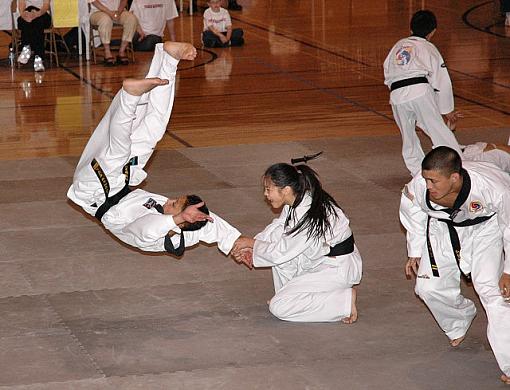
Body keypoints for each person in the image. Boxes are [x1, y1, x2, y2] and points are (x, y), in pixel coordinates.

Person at [67, 42, 241, 256]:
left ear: (178, 222)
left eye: (174, 205)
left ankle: (130, 97)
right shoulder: (191, 229)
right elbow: (215, 225)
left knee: (118, 152)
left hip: (93, 190)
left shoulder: (153, 239)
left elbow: (144, 228)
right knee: (153, 130)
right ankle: (170, 59)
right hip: (121, 182)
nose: (168, 200)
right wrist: (242, 243)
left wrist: (176, 219)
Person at [400, 146, 510, 384]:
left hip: (485, 231)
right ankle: (459, 318)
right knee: (427, 289)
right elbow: (411, 212)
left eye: (434, 181)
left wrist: (508, 270)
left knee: (494, 293)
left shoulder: (494, 187)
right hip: (442, 229)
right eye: (426, 179)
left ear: (455, 178)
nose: (428, 186)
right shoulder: (419, 185)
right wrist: (415, 250)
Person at [232, 162, 362, 323]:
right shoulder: (298, 199)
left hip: (336, 268)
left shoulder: (308, 214)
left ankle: (343, 301)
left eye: (268, 189)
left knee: (279, 307)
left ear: (286, 190)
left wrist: (251, 244)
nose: (265, 194)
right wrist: (253, 245)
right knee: (280, 252)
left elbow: (281, 251)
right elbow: (278, 229)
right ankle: (290, 296)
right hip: (321, 260)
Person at [383, 10, 462, 176]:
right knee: (437, 130)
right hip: (419, 90)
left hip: (396, 94)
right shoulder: (428, 47)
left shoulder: (398, 45)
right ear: (433, 31)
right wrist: (446, 109)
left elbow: (387, 69)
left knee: (408, 136)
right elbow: (441, 79)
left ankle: (417, 173)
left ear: (410, 29)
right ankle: (459, 167)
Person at [89, 0, 138, 66]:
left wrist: (119, 12)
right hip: (98, 11)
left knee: (132, 19)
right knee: (105, 20)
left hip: (118, 11)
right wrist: (110, 13)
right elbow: (94, 1)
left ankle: (122, 51)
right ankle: (107, 52)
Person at [16, 0, 51, 72]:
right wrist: (24, 15)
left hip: (42, 15)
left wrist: (37, 14)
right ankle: (38, 58)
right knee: (27, 21)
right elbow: (21, 5)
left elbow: (46, 5)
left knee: (38, 22)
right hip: (27, 15)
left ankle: (26, 47)